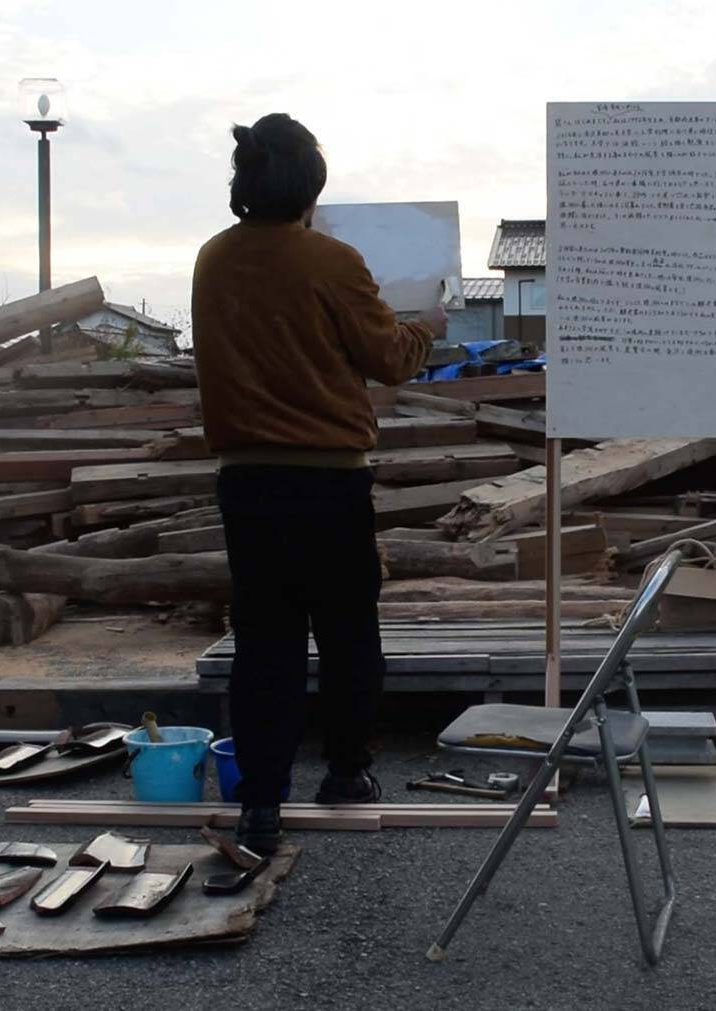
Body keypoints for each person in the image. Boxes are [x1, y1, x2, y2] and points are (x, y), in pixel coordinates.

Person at [191, 113, 446, 855]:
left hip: (246, 482)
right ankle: (347, 772)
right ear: (312, 188)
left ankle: (260, 805)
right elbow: (392, 359)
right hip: (331, 482)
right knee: (346, 632)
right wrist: (427, 323)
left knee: (263, 643)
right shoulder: (334, 261)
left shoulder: (213, 260)